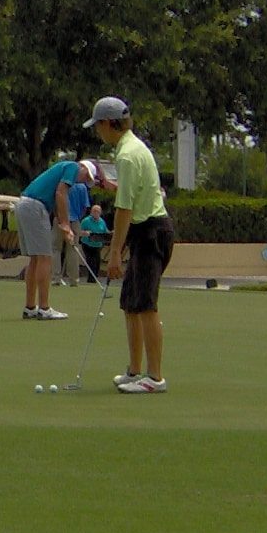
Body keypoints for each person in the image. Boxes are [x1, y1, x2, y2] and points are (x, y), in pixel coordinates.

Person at [83, 97, 174, 392]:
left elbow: (125, 209)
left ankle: (155, 378)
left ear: (110, 124)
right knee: (131, 304)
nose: (98, 132)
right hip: (147, 230)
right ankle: (135, 370)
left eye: (98, 126)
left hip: (151, 231)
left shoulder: (127, 155)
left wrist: (113, 255)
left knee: (145, 304)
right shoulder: (132, 148)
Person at [19, 155, 98, 320]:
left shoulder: (63, 171)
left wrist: (64, 225)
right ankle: (44, 308)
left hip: (24, 204)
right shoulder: (73, 167)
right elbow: (61, 194)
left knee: (35, 258)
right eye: (86, 176)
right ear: (83, 168)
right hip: (34, 206)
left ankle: (30, 307)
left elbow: (57, 201)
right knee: (45, 257)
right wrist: (66, 224)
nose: (83, 180)